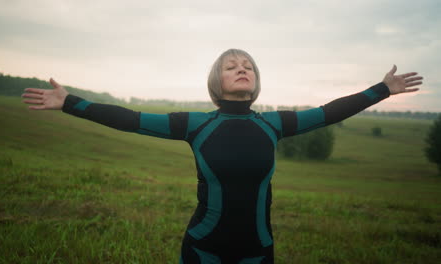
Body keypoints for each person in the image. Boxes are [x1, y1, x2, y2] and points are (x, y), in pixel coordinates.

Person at [22, 49, 423, 263]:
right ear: (218, 80)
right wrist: (69, 102)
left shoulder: (274, 125)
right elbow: (129, 119)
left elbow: (330, 111)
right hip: (202, 249)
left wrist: (382, 89)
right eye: (231, 65)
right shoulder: (196, 124)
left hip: (258, 249)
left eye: (248, 65)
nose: (241, 68)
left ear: (256, 80)